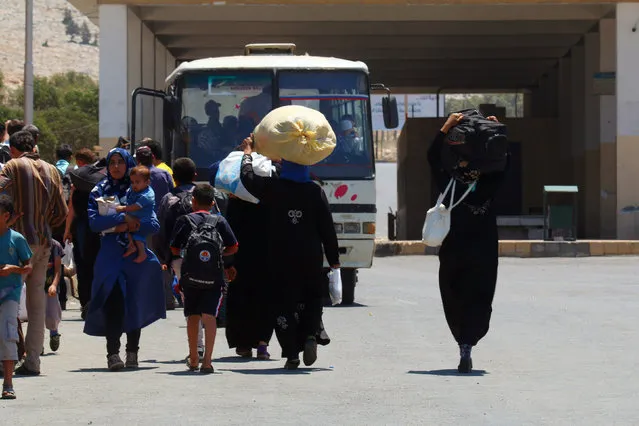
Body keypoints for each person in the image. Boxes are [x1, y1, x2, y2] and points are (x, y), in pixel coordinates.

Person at [240, 139, 340, 370]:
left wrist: (248, 154)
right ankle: (310, 334)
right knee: (312, 299)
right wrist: (334, 261)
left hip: (279, 258)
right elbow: (327, 228)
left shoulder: (273, 188)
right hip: (310, 258)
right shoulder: (315, 191)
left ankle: (292, 352)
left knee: (282, 304)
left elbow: (248, 179)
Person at [427, 112, 508, 374]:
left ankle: (461, 340)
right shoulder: (490, 182)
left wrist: (446, 127)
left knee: (454, 294)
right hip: (484, 251)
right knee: (480, 296)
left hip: (454, 250)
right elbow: (506, 160)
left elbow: (431, 155)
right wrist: (495, 130)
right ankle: (468, 345)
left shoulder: (449, 181)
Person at [84, 148, 165, 371]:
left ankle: (133, 352)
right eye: (112, 162)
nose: (116, 166)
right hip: (110, 254)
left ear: (128, 164)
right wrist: (124, 219)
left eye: (121, 162)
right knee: (113, 303)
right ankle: (112, 354)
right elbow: (94, 223)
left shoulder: (138, 189)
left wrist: (123, 223)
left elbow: (153, 223)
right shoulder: (99, 190)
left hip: (134, 256)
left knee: (134, 302)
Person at [0, 130, 67, 376]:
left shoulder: (13, 165)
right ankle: (33, 362)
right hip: (43, 241)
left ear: (14, 149)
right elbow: (61, 210)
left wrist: (12, 216)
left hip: (16, 243)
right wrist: (44, 221)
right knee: (37, 302)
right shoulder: (52, 169)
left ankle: (6, 356)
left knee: (7, 299)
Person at [170, 183, 238, 373]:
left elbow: (174, 248)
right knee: (209, 316)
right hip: (214, 277)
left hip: (190, 276)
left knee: (192, 315)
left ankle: (193, 358)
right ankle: (207, 362)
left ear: (193, 201)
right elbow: (234, 246)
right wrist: (218, 255)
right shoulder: (219, 221)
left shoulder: (184, 220)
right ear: (213, 202)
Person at [64, 149, 104, 319]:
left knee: (83, 266)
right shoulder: (101, 181)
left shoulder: (77, 184)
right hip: (99, 228)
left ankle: (86, 303)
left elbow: (71, 209)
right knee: (98, 266)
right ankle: (97, 302)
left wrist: (67, 231)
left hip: (81, 228)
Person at [0, 195, 32, 399]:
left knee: (8, 335)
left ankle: (8, 384)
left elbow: (28, 265)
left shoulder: (17, 238)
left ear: (5, 216)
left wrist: (14, 269)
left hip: (9, 293)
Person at [115, 165, 156, 264]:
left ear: (147, 182)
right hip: (135, 218)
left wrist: (123, 208)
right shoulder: (134, 190)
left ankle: (142, 253)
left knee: (137, 236)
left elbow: (136, 207)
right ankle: (132, 246)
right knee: (128, 230)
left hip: (145, 221)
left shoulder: (147, 195)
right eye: (132, 182)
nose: (134, 185)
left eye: (137, 182)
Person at [135, 146, 173, 214]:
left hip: (143, 218)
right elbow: (172, 194)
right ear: (153, 157)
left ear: (137, 160)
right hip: (164, 216)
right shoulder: (165, 174)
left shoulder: (134, 176)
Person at [44, 239, 63, 353]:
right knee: (36, 315)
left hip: (50, 284)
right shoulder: (29, 243)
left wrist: (54, 285)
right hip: (35, 285)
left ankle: (54, 333)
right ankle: (38, 343)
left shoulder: (55, 246)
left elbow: (57, 270)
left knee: (52, 313)